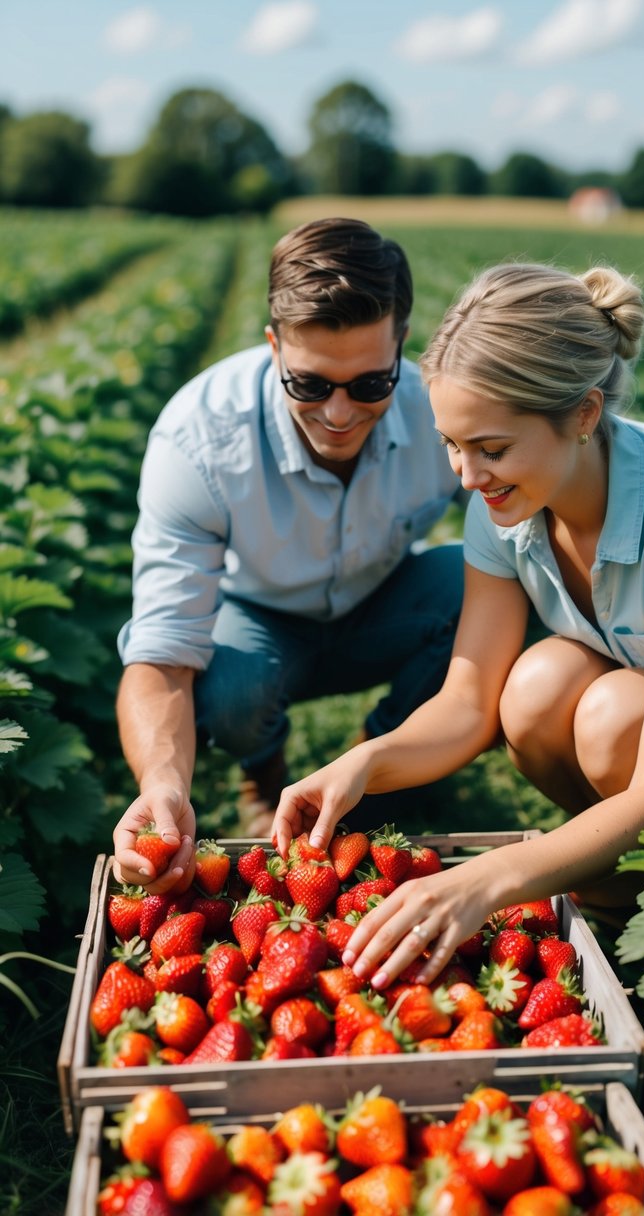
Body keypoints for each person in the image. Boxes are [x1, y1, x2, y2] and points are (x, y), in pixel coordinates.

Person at [272, 259, 644, 992]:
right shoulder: (500, 507)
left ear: (584, 415)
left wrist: (490, 878)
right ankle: (625, 887)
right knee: (532, 688)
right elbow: (467, 704)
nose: (466, 476)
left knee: (610, 714)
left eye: (491, 448)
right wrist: (364, 765)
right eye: (451, 444)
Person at [112, 217, 464, 893]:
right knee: (234, 688)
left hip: (381, 601)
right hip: (258, 618)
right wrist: (161, 784)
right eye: (309, 384)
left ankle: (381, 777)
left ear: (401, 348)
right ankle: (264, 775)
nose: (337, 412)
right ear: (273, 347)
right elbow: (162, 651)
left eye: (368, 385)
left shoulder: (440, 412)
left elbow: (527, 538)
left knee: (481, 588)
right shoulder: (198, 439)